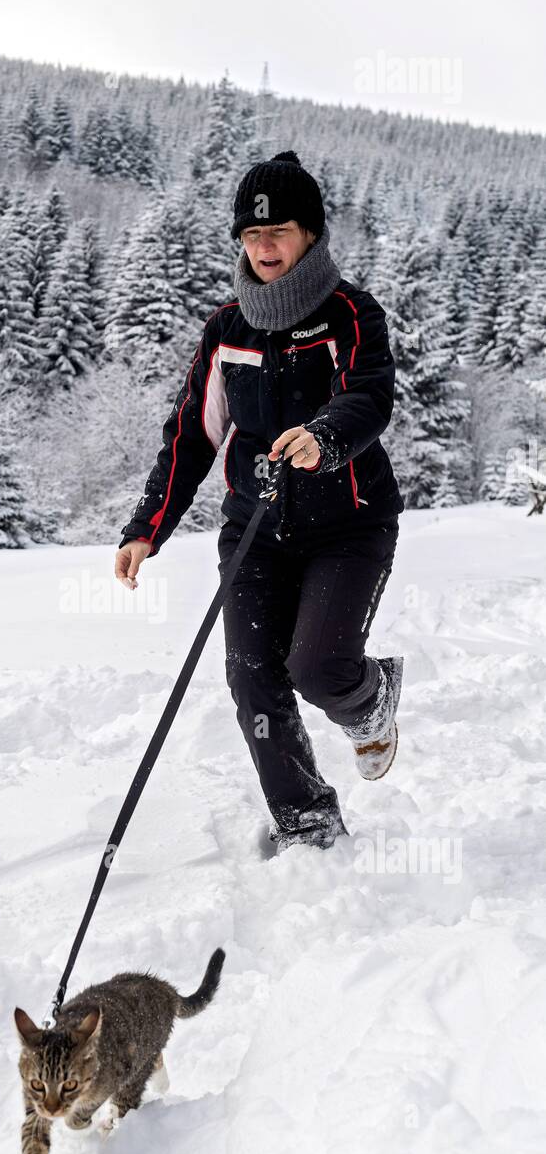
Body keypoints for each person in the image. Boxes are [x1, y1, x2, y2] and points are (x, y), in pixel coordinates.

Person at [113, 151, 405, 854]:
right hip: (255, 531)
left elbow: (368, 396)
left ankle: (371, 702)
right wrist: (146, 527)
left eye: (278, 233)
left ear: (311, 235)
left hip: (349, 525)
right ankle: (307, 821)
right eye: (250, 236)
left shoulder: (349, 314)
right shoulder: (226, 331)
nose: (264, 247)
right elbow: (193, 434)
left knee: (318, 669)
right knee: (252, 680)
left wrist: (324, 436)